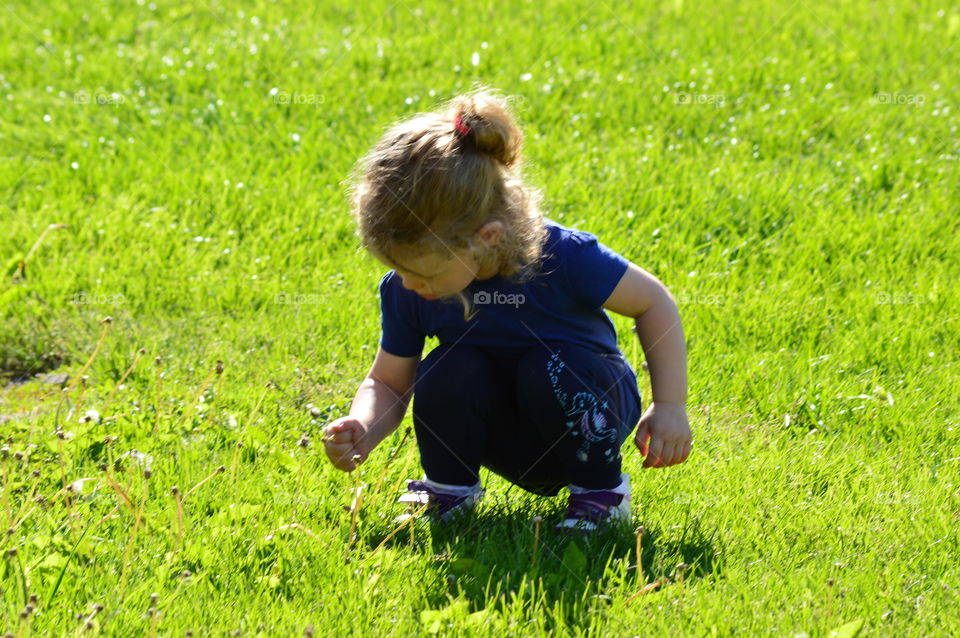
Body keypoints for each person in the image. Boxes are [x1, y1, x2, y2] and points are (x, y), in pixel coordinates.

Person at [323, 87, 692, 532]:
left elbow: (654, 302)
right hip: (502, 431)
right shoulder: (409, 289)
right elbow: (388, 381)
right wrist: (363, 427)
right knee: (445, 367)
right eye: (396, 268)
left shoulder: (563, 257)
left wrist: (669, 405)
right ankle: (449, 491)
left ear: (487, 238)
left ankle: (600, 495)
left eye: (424, 273)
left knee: (547, 367)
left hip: (586, 411)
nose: (408, 283)